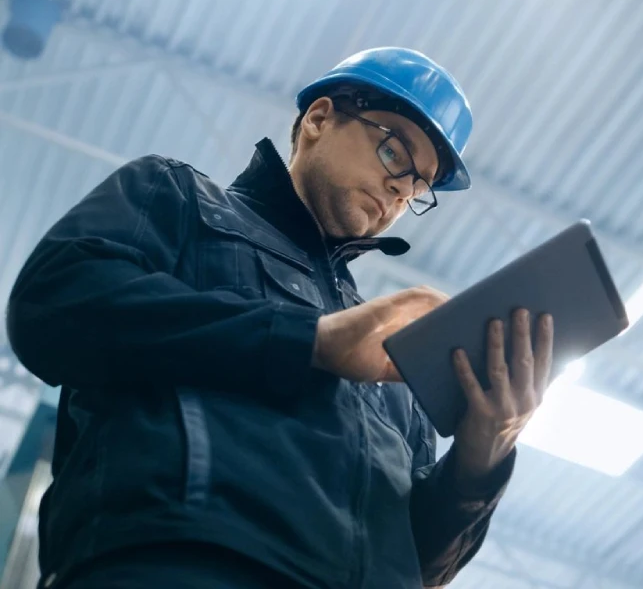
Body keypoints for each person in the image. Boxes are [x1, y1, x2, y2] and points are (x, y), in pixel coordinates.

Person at [5, 47, 554, 589]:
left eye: (418, 187)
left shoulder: (395, 364)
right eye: (394, 154)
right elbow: (54, 302)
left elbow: (419, 566)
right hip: (181, 563)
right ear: (319, 118)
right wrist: (308, 340)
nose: (399, 189)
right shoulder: (178, 198)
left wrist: (480, 462)